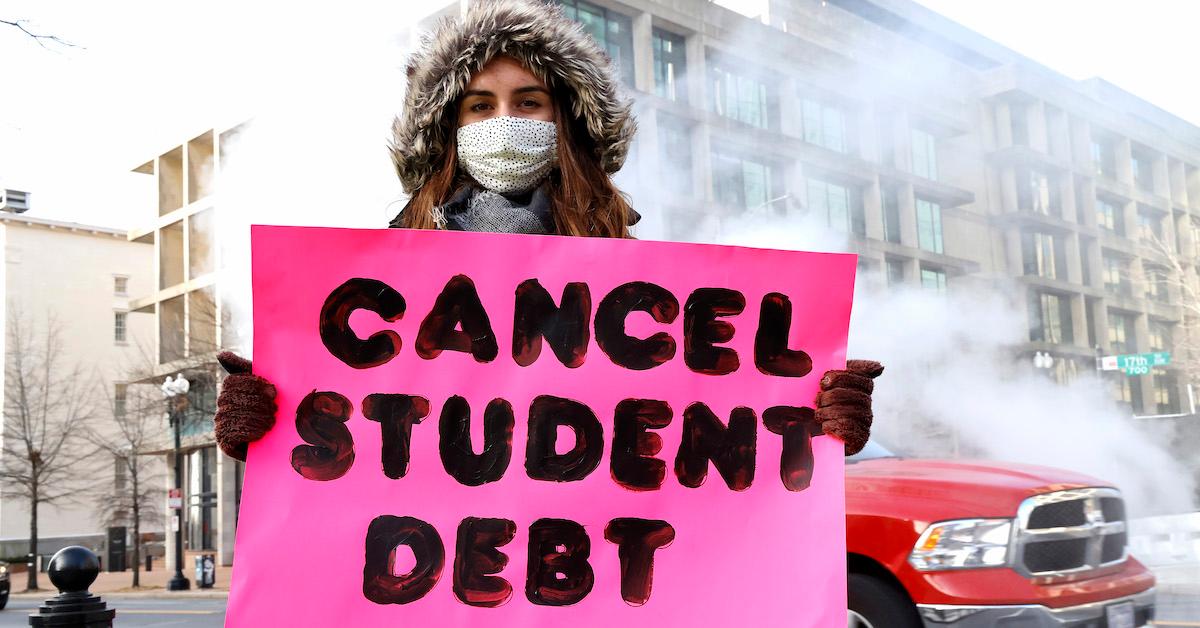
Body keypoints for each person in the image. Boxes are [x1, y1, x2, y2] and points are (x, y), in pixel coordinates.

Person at [213, 0, 883, 461]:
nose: (505, 119)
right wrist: (270, 416)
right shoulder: (379, 283)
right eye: (480, 105)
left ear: (566, 123)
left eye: (528, 101)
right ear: (448, 131)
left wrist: (809, 417)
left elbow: (700, 425)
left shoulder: (648, 284)